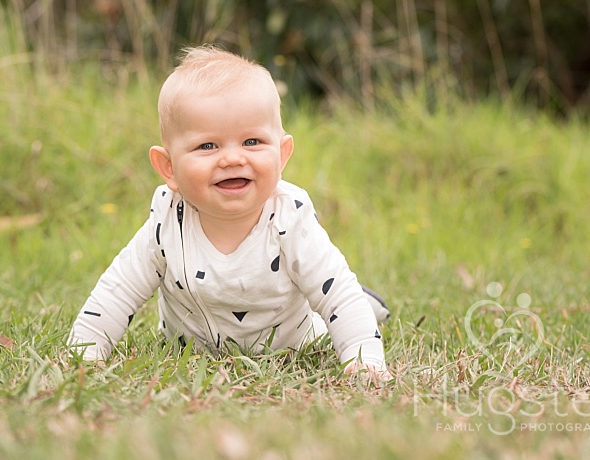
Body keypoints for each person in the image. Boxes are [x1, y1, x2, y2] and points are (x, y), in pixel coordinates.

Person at [68, 46, 392, 380]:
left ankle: (365, 311)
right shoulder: (167, 220)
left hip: (288, 346)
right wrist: (86, 354)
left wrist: (364, 360)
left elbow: (337, 292)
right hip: (190, 353)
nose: (233, 159)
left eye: (252, 142)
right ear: (169, 168)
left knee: (335, 307)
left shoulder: (289, 217)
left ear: (282, 155)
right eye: (207, 146)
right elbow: (117, 290)